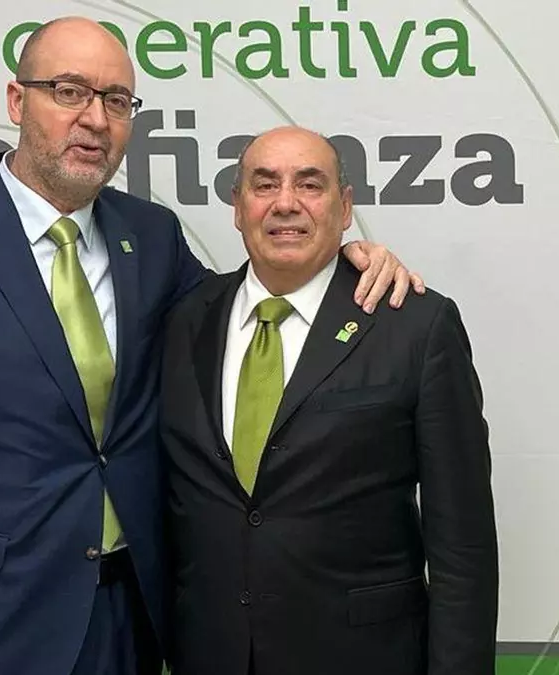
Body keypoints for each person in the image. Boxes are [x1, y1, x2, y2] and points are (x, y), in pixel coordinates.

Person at [0, 17, 423, 675]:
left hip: (130, 617)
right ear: (17, 101)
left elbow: (243, 305)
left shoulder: (151, 235)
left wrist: (338, 258)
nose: (95, 119)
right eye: (69, 91)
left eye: (116, 100)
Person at [159, 125, 499, 675]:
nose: (285, 203)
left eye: (310, 185)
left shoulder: (415, 326)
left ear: (345, 208)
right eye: (264, 185)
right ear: (238, 207)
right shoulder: (183, 321)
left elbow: (463, 546)